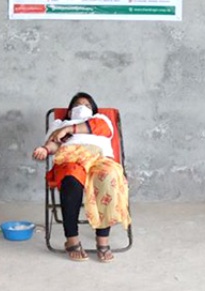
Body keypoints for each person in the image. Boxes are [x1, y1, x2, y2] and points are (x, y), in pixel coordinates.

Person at [32, 92, 131, 262]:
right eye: (78, 105)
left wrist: (69, 129)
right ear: (70, 111)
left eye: (87, 105)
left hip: (99, 159)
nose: (82, 108)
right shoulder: (60, 124)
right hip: (71, 159)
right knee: (70, 180)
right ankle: (72, 240)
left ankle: (102, 241)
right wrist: (45, 149)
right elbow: (54, 143)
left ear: (93, 110)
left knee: (108, 178)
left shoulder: (101, 119)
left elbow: (101, 128)